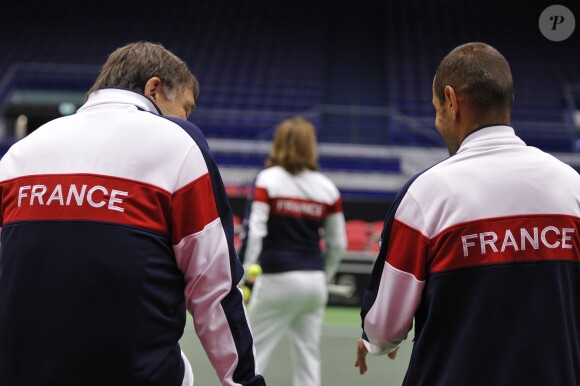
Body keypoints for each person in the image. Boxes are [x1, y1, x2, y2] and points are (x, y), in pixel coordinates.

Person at [0, 41, 266, 386]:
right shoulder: (179, 142)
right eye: (185, 107)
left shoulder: (20, 154)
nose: (186, 118)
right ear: (154, 89)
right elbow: (215, 288)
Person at [355, 42, 580, 385]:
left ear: (451, 101)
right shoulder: (572, 186)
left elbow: (384, 327)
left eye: (436, 109)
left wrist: (377, 340)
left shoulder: (425, 195)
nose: (438, 122)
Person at [238, 116, 347, 386]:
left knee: (252, 355)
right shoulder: (327, 188)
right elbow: (338, 244)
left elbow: (254, 233)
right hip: (314, 284)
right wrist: (323, 274)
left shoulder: (267, 181)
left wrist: (239, 278)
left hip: (276, 279)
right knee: (308, 360)